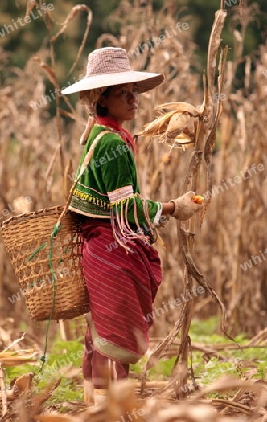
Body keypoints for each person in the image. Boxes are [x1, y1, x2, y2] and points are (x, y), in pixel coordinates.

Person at [61, 47, 202, 403]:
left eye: (133, 90)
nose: (133, 98)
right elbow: (126, 207)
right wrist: (175, 207)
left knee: (101, 333)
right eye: (122, 92)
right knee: (116, 334)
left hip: (100, 249)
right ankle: (109, 410)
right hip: (113, 251)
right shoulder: (113, 143)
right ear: (101, 99)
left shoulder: (97, 135)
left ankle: (97, 407)